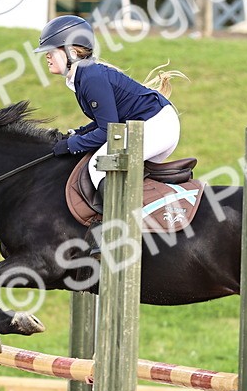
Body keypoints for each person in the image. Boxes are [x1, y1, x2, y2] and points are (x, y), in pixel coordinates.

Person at [36, 15, 185, 257]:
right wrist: (75, 134)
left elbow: (107, 130)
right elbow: (101, 122)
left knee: (99, 165)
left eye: (52, 50)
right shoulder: (83, 76)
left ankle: (114, 234)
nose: (47, 56)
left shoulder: (91, 77)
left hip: (157, 126)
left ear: (72, 52)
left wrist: (72, 145)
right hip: (151, 124)